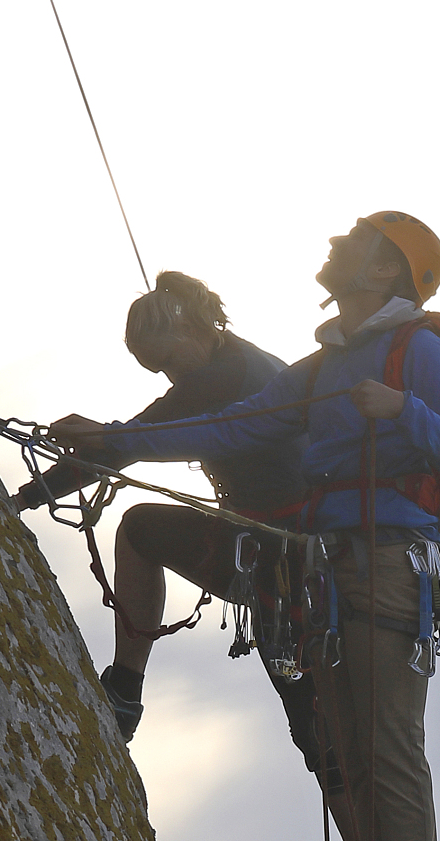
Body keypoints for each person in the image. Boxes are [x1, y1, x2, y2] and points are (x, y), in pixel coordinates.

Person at [51, 213, 440, 841]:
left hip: (389, 563)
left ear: (387, 272)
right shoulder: (323, 366)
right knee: (346, 742)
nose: (333, 245)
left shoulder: (415, 348)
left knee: (384, 743)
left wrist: (403, 411)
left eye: (353, 240)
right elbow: (229, 425)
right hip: (329, 564)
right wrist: (114, 443)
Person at [16, 272, 300, 740]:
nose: (172, 378)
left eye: (168, 361)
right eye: (158, 372)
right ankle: (125, 691)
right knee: (311, 723)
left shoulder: (223, 376)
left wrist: (27, 497)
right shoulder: (253, 360)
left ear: (190, 327)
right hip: (292, 549)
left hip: (274, 555)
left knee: (139, 531)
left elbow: (124, 446)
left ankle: (125, 692)